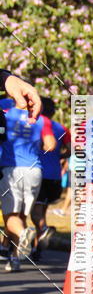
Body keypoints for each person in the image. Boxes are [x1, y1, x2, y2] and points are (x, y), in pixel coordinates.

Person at [0, 99, 56, 271]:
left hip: (11, 167)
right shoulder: (41, 118)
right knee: (22, 215)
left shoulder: (5, 115)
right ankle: (15, 258)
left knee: (10, 216)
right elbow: (51, 145)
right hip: (34, 170)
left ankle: (24, 234)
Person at [30, 96, 71, 260]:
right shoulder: (61, 128)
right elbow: (71, 149)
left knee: (34, 212)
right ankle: (37, 248)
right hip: (54, 174)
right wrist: (60, 157)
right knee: (42, 210)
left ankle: (44, 230)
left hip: (37, 172)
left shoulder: (35, 123)